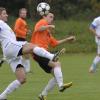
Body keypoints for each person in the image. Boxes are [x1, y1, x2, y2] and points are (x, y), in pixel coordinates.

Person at [0, 7, 61, 100]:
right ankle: (52, 56)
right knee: (32, 46)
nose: (6, 15)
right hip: (10, 46)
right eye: (4, 13)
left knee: (22, 79)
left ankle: (2, 97)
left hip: (9, 53)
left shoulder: (4, 24)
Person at [31, 12, 75, 100]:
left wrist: (67, 39)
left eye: (53, 17)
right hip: (38, 52)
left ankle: (43, 95)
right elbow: (38, 28)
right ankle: (61, 85)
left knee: (56, 75)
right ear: (44, 16)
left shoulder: (48, 33)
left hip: (43, 54)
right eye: (50, 17)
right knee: (57, 64)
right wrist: (49, 26)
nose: (52, 19)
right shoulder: (42, 21)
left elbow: (55, 43)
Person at [14, 8, 31, 72]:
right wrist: (25, 33)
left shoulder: (23, 21)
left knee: (24, 54)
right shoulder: (19, 20)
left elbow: (22, 29)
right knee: (26, 53)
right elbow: (16, 29)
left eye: (25, 13)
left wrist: (27, 31)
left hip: (22, 39)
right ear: (20, 14)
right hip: (19, 39)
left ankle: (25, 69)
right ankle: (27, 69)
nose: (24, 14)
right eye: (23, 13)